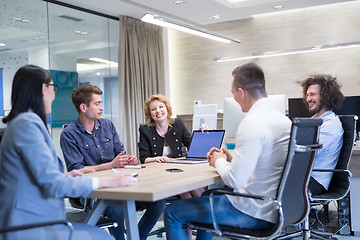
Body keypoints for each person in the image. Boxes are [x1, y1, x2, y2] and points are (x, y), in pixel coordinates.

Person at [0, 65, 137, 240]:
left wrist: (68, 175)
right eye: (53, 87)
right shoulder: (27, 125)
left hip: (35, 218)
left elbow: (39, 178)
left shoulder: (23, 122)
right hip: (29, 224)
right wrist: (105, 181)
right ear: (43, 89)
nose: (54, 95)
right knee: (105, 237)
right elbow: (52, 184)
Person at [163, 62, 292, 240]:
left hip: (253, 210)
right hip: (278, 208)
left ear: (241, 92)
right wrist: (233, 159)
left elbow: (235, 180)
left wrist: (218, 160)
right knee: (207, 195)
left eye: (233, 94)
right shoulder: (283, 120)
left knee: (173, 212)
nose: (235, 99)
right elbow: (268, 162)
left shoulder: (252, 123)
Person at [60, 85, 165, 240]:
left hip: (119, 184)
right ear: (83, 107)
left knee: (158, 202)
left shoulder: (107, 125)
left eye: (101, 102)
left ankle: (137, 237)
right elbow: (78, 170)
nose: (102, 107)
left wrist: (128, 160)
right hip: (94, 192)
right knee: (117, 210)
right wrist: (110, 165)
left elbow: (120, 154)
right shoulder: (69, 134)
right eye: (97, 104)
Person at [138, 94, 204, 199]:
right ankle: (206, 211)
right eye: (153, 109)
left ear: (167, 108)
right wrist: (157, 158)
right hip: (159, 174)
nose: (158, 111)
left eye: (161, 107)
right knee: (185, 184)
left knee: (191, 182)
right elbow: (143, 159)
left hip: (179, 170)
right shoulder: (145, 130)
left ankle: (204, 210)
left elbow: (192, 147)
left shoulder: (177, 124)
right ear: (150, 114)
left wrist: (199, 136)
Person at [299, 74, 345, 195]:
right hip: (305, 175)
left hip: (315, 181)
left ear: (326, 96)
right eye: (307, 95)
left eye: (313, 94)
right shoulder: (314, 120)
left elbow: (307, 154)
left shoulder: (330, 125)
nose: (308, 99)